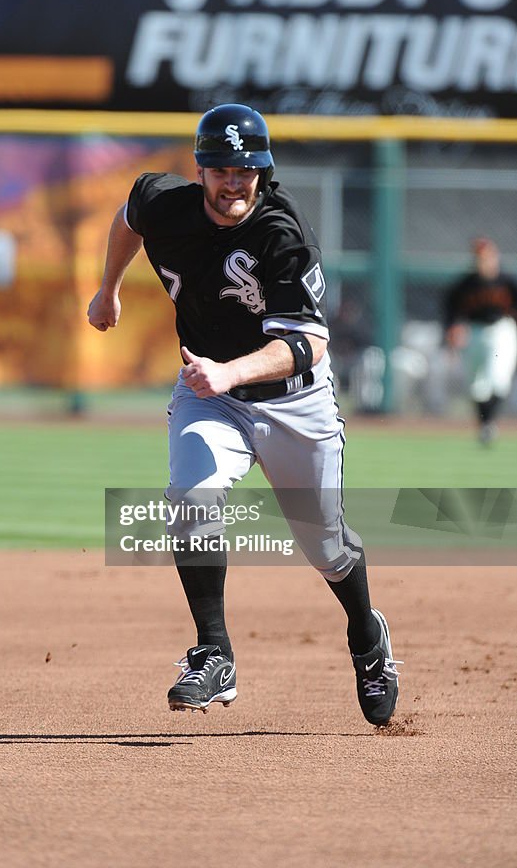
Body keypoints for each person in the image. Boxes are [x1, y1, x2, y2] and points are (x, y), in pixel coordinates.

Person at [87, 104, 401, 726]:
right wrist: (109, 286)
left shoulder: (282, 234)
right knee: (192, 495)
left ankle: (368, 639)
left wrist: (230, 370)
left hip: (295, 405)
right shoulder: (163, 201)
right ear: (201, 170)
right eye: (223, 169)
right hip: (212, 398)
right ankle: (213, 651)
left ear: (264, 170)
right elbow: (129, 220)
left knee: (327, 549)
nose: (235, 182)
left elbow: (308, 344)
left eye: (248, 169)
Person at [444, 237, 517, 444]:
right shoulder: (466, 284)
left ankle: (488, 424)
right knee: (476, 387)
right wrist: (452, 329)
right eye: (479, 257)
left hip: (501, 330)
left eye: (487, 256)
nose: (483, 261)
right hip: (474, 331)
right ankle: (485, 424)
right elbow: (451, 310)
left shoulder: (506, 281)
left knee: (498, 378)